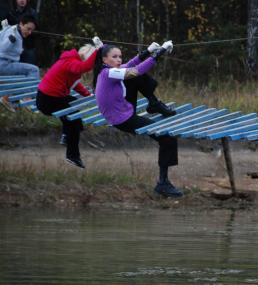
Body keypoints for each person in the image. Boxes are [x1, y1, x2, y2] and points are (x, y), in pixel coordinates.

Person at [93, 41, 182, 198]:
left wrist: (147, 51)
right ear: (104, 60)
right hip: (123, 119)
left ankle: (153, 103)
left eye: (120, 56)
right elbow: (135, 71)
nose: (119, 60)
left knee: (134, 77)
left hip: (124, 111)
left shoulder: (108, 70)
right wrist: (160, 52)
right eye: (114, 57)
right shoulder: (109, 73)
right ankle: (163, 183)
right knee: (167, 136)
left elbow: (130, 65)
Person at [36, 37, 103, 169]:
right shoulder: (71, 62)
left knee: (74, 110)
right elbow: (85, 67)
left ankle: (67, 135)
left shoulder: (71, 62)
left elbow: (75, 84)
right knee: (73, 120)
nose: (92, 67)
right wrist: (99, 49)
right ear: (86, 57)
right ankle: (72, 155)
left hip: (53, 98)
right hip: (47, 101)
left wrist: (88, 95)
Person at [0, 15, 39, 112]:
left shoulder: (13, 29)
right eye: (28, 29)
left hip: (6, 63)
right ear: (21, 24)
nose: (29, 32)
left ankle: (8, 98)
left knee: (23, 74)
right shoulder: (13, 34)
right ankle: (27, 98)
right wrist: (10, 40)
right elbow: (3, 48)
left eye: (31, 30)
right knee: (34, 70)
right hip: (3, 64)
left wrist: (5, 27)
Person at [6, 0, 38, 64]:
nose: (22, 0)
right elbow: (6, 28)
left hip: (28, 47)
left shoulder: (32, 13)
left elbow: (35, 30)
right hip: (13, 47)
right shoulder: (10, 12)